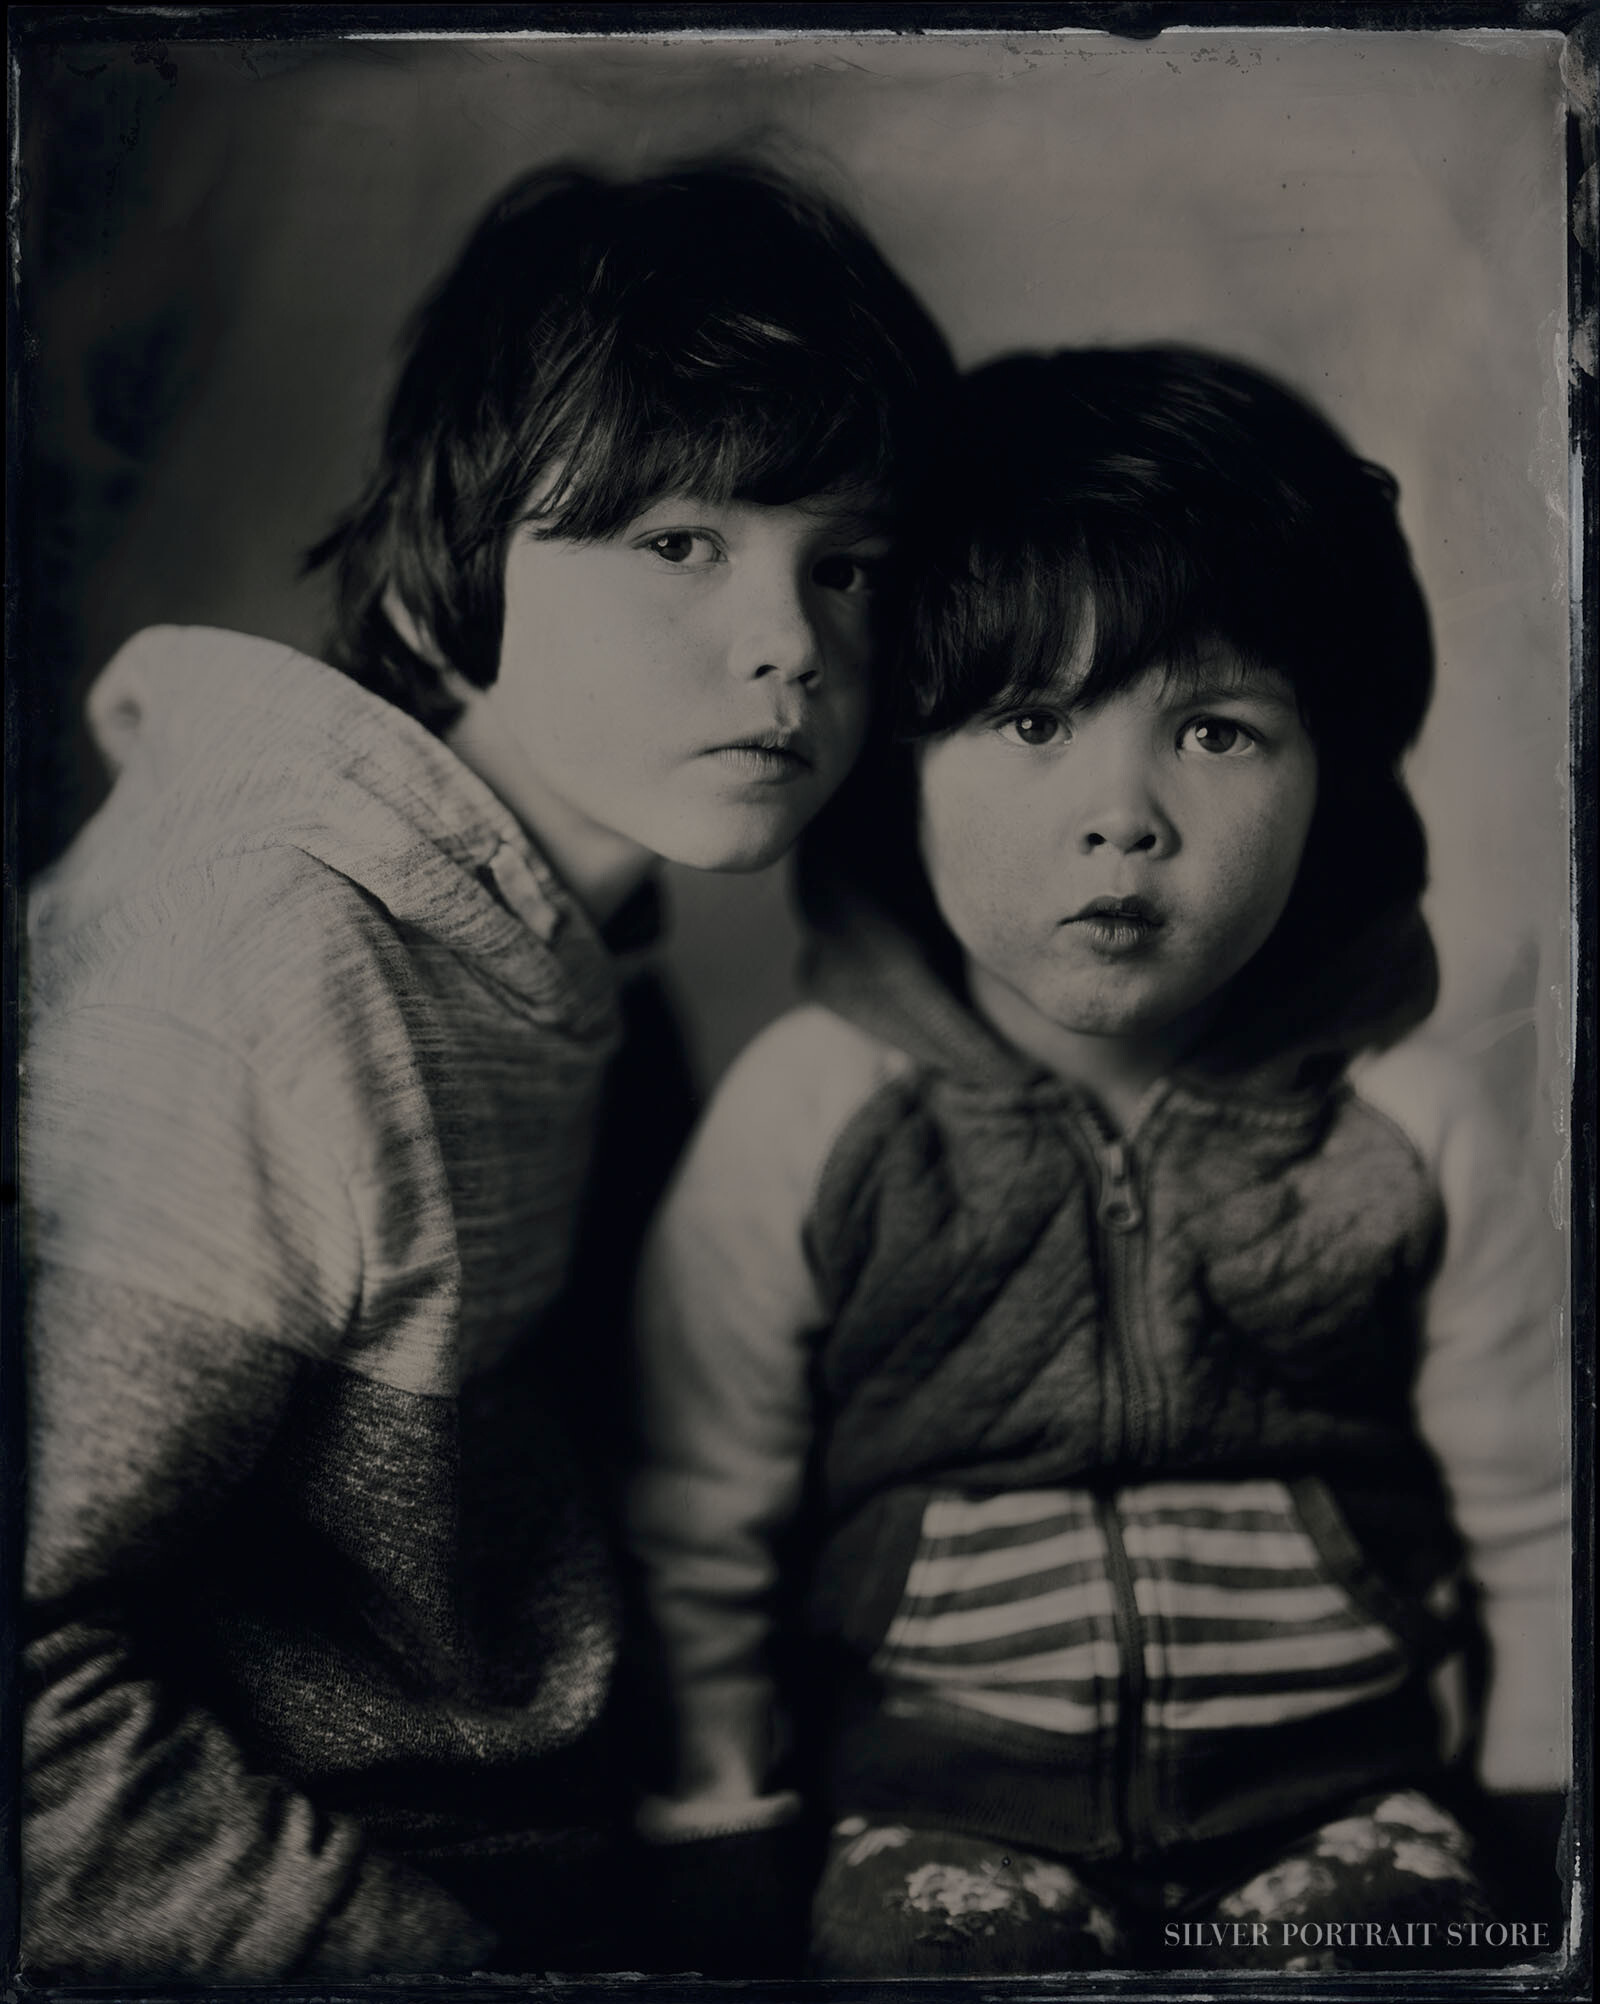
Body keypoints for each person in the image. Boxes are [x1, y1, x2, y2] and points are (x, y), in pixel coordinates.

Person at [19, 158, 952, 1982]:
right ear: (461, 559)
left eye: (845, 564)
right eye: (679, 542)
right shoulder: (269, 965)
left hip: (586, 1838)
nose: (792, 644)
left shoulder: (575, 937)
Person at [628, 348, 1569, 1974]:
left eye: (1215, 731)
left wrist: (1543, 1816)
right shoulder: (814, 1114)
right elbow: (693, 1518)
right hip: (932, 1821)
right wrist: (717, 1823)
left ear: (1331, 776)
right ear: (895, 770)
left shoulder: (1409, 1127)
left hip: (1349, 1808)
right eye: (1031, 719)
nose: (1121, 815)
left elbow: (1546, 1514)